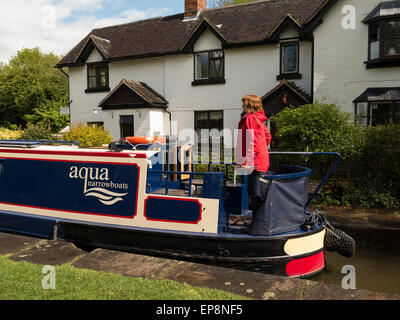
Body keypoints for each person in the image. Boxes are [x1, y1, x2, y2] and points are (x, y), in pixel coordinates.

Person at [236, 94, 272, 214]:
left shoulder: (250, 119)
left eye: (243, 104)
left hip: (254, 162)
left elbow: (252, 141)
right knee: (258, 191)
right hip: (261, 160)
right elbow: (268, 137)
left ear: (248, 105)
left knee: (255, 193)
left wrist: (246, 162)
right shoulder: (259, 120)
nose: (241, 106)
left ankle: (257, 225)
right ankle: (258, 222)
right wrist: (262, 149)